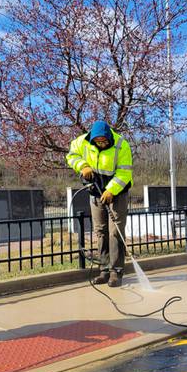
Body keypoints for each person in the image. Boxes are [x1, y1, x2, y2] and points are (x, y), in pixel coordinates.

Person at [66, 121, 133, 288]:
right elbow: (71, 155)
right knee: (101, 231)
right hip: (95, 192)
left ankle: (116, 271)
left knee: (114, 231)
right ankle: (104, 270)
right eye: (98, 141)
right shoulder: (82, 141)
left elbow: (125, 172)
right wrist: (83, 166)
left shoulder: (121, 145)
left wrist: (111, 190)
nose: (101, 144)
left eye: (104, 141)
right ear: (92, 138)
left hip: (117, 193)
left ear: (109, 137)